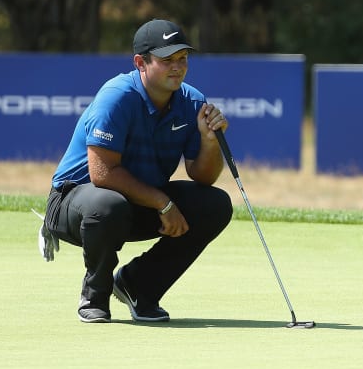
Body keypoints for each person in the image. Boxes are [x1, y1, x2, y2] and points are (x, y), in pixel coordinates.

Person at [39, 19, 233, 323]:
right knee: (107, 205)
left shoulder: (192, 101)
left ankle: (138, 285)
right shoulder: (117, 96)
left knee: (215, 205)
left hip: (136, 203)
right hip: (74, 202)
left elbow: (203, 177)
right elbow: (102, 174)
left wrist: (209, 143)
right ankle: (95, 294)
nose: (177, 67)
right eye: (167, 60)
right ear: (140, 63)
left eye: (182, 59)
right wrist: (163, 203)